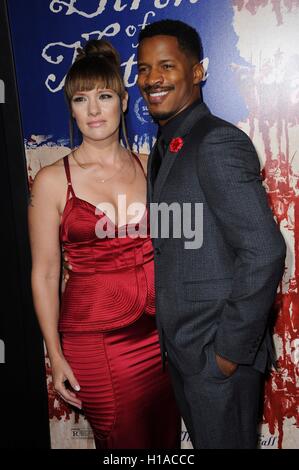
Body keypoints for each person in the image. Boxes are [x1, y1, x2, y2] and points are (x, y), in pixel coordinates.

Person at [137, 20, 286, 449]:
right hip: (183, 352)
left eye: (166, 65)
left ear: (198, 72)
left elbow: (264, 251)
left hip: (216, 359)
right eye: (144, 69)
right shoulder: (165, 148)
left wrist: (226, 353)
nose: (152, 79)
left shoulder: (217, 142)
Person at [28, 38, 180, 449]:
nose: (94, 110)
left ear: (124, 101)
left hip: (162, 337)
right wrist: (54, 355)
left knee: (164, 445)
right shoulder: (52, 180)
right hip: (97, 342)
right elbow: (44, 273)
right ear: (71, 107)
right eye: (81, 99)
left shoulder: (152, 168)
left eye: (105, 96)